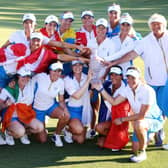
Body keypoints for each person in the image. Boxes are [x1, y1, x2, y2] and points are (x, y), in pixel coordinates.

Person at [108, 13, 168, 146]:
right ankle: (156, 130)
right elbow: (131, 54)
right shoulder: (146, 41)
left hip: (166, 81)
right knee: (153, 109)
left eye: (158, 24)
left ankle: (158, 131)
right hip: (151, 81)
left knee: (164, 108)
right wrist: (114, 63)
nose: (156, 27)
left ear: (164, 25)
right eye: (153, 24)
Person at [93, 66, 164, 163]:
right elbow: (114, 102)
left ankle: (142, 152)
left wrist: (122, 119)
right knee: (134, 148)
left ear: (139, 78)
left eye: (133, 78)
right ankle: (147, 135)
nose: (130, 80)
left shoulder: (148, 91)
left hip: (153, 119)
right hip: (139, 121)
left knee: (139, 124)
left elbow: (141, 115)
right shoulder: (127, 89)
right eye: (129, 77)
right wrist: (100, 89)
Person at [0, 32, 88, 89]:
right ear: (30, 41)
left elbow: (60, 56)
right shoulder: (21, 47)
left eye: (38, 41)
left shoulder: (44, 53)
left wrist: (77, 58)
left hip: (15, 77)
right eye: (33, 40)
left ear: (41, 42)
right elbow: (4, 53)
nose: (35, 43)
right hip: (3, 72)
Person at [0, 67, 44, 146]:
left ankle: (24, 132)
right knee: (20, 132)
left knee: (39, 128)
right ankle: (9, 133)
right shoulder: (9, 88)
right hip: (11, 115)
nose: (26, 79)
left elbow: (41, 69)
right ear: (18, 77)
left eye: (28, 76)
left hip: (25, 114)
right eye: (23, 76)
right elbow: (0, 105)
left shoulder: (31, 83)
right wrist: (6, 104)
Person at [32, 62, 70, 147]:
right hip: (37, 108)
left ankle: (56, 135)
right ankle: (33, 129)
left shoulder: (61, 82)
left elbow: (61, 100)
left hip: (50, 106)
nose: (57, 73)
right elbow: (28, 81)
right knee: (42, 139)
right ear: (49, 71)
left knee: (66, 116)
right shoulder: (40, 76)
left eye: (59, 71)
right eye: (54, 71)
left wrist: (65, 110)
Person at [95, 65, 130, 151]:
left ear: (121, 76)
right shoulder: (107, 84)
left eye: (116, 75)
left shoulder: (125, 89)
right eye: (112, 74)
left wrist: (101, 89)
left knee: (100, 129)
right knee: (99, 135)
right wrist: (93, 89)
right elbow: (94, 84)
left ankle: (118, 137)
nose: (113, 77)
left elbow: (114, 103)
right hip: (107, 119)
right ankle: (110, 136)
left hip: (118, 119)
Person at [64, 60, 93, 143]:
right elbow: (77, 96)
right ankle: (67, 130)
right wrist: (88, 80)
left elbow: (91, 90)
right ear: (71, 67)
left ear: (82, 66)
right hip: (73, 110)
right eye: (75, 65)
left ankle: (74, 130)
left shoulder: (86, 76)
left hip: (84, 108)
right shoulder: (67, 79)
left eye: (79, 65)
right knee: (79, 130)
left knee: (80, 140)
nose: (77, 67)